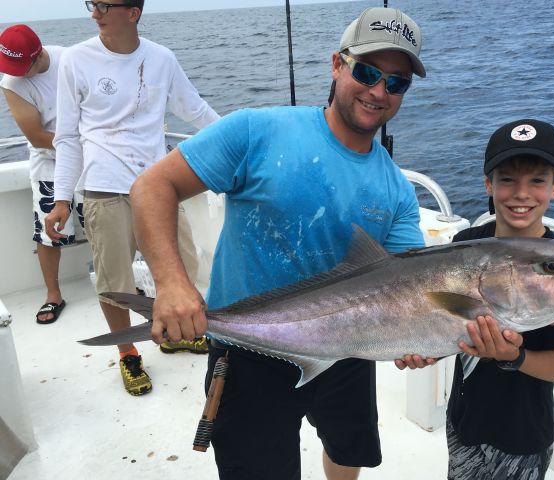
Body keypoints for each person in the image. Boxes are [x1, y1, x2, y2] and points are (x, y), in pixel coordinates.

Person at [130, 7, 427, 479]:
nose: (378, 92)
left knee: (349, 451)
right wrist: (170, 284)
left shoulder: (396, 190)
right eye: (368, 72)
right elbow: (151, 188)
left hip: (347, 349)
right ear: (337, 64)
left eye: (396, 83)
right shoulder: (257, 130)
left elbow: (410, 285)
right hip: (250, 353)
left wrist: (421, 337)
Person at [44, 0, 220, 396]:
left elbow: (195, 110)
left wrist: (242, 139)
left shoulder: (161, 58)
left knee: (182, 268)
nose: (94, 13)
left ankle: (175, 334)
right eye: (92, 4)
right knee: (114, 281)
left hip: (158, 187)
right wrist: (61, 200)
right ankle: (127, 352)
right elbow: (68, 137)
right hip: (105, 187)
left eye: (105, 5)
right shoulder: (76, 59)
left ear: (133, 11)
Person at [445, 119, 554, 480]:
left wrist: (513, 356)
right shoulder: (467, 241)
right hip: (463, 419)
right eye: (507, 179)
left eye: (537, 180)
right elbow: (446, 322)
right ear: (488, 183)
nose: (521, 193)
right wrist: (422, 349)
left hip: (521, 435)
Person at [0, 24, 84, 325]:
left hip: (89, 156)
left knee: (103, 220)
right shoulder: (11, 82)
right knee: (48, 230)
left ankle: (117, 284)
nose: (15, 73)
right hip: (49, 158)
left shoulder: (72, 60)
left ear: (38, 55)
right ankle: (53, 294)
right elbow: (36, 136)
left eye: (21, 66)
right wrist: (81, 144)